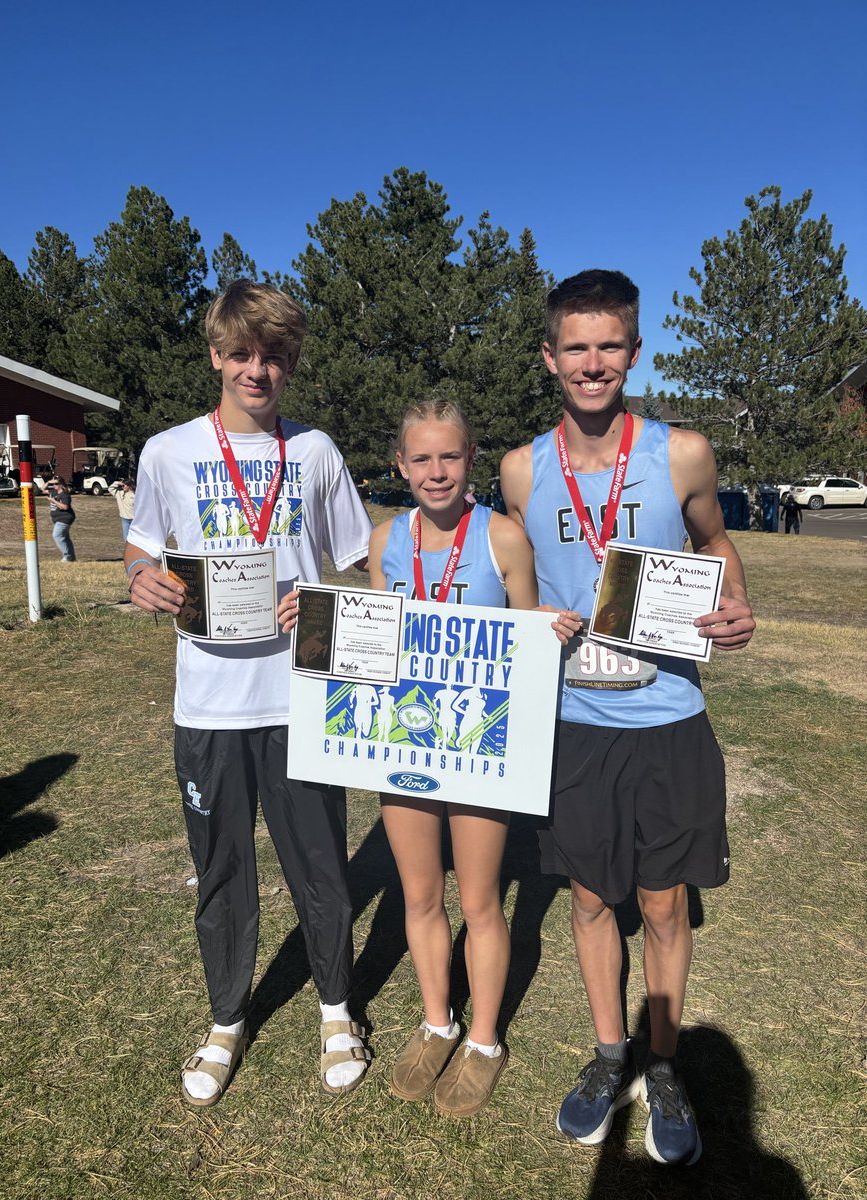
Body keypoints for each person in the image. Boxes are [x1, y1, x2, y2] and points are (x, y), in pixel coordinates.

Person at [501, 270, 755, 1165]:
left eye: (610, 345)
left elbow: (715, 539)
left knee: (662, 900)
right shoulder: (521, 469)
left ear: (635, 352)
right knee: (589, 896)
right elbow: (516, 589)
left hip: (669, 713)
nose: (593, 362)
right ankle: (610, 1054)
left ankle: (663, 1061)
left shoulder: (681, 452)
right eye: (576, 346)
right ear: (550, 357)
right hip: (576, 723)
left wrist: (736, 599)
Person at [124, 280, 374, 1107]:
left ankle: (338, 1007)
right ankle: (227, 1017)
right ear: (216, 356)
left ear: (290, 362)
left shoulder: (315, 453)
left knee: (318, 865)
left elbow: (357, 563)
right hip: (208, 704)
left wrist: (323, 601)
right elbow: (139, 553)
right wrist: (141, 582)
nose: (256, 371)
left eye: (273, 356)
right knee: (221, 867)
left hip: (298, 697)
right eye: (241, 354)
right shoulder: (165, 451)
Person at [364, 399, 562, 1116]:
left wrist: (546, 629)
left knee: (479, 901)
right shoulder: (386, 539)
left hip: (479, 742)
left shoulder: (504, 538)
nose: (436, 471)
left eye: (449, 456)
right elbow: (372, 641)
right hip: (405, 739)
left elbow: (527, 645)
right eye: (421, 458)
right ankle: (435, 1022)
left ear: (470, 457)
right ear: (401, 465)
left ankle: (483, 1042)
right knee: (419, 897)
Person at [47, 477, 76, 561]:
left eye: (56, 484)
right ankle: (71, 558)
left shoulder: (65, 494)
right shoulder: (54, 492)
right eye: (53, 484)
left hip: (65, 518)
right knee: (65, 538)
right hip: (58, 519)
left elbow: (65, 507)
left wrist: (53, 501)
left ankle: (67, 556)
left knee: (57, 535)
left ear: (61, 484)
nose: (54, 486)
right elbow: (42, 488)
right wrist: (49, 481)